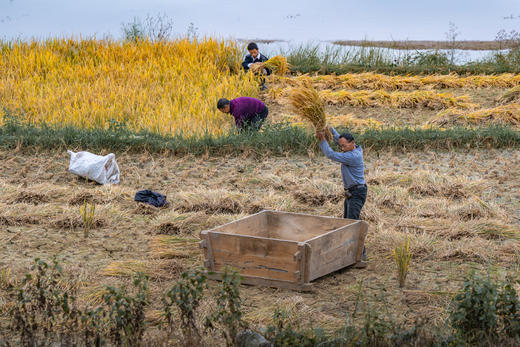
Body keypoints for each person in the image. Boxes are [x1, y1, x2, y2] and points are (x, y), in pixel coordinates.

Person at [316, 126, 368, 267]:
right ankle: (350, 252)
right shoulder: (352, 148)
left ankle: (361, 256)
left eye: (344, 146)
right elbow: (339, 140)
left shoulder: (353, 156)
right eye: (341, 146)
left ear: (352, 143)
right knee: (347, 222)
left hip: (357, 193)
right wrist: (329, 129)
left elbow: (331, 155)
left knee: (352, 223)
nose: (342, 148)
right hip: (351, 192)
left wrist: (322, 140)